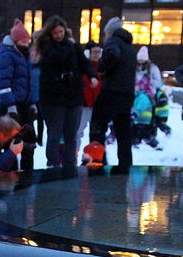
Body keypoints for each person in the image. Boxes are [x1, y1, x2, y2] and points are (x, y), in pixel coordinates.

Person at [34, 16, 97, 168]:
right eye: (55, 33)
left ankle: (70, 164)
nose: (59, 35)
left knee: (71, 135)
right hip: (54, 99)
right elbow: (46, 74)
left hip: (73, 97)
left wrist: (92, 76)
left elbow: (84, 63)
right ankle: (53, 164)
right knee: (55, 134)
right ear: (50, 33)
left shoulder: (73, 47)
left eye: (61, 31)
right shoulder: (46, 48)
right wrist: (61, 77)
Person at [88, 17, 136, 171]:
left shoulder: (113, 42)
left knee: (97, 127)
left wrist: (102, 66)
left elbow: (112, 56)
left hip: (111, 92)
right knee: (123, 133)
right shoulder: (130, 46)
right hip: (127, 94)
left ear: (109, 32)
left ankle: (96, 162)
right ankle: (125, 166)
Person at [0, 19, 35, 170]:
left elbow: (29, 82)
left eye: (28, 41)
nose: (27, 44)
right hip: (12, 106)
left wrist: (31, 102)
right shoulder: (7, 55)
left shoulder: (24, 55)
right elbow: (4, 83)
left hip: (24, 104)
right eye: (24, 41)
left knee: (28, 139)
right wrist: (10, 105)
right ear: (16, 40)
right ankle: (9, 175)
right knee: (11, 141)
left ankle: (27, 172)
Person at [77, 41, 102, 147]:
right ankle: (73, 156)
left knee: (96, 134)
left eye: (98, 52)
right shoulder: (82, 68)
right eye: (94, 52)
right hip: (84, 105)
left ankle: (93, 158)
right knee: (77, 132)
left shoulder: (103, 67)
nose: (96, 54)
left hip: (97, 106)